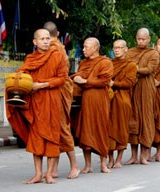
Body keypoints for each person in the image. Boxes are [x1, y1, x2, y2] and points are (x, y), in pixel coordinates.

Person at [6, 29, 68, 184]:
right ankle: (38, 174)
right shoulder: (30, 58)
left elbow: (62, 79)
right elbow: (22, 76)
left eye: (48, 38)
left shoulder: (58, 56)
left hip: (51, 100)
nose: (46, 41)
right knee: (37, 138)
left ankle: (49, 173)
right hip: (35, 103)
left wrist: (42, 85)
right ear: (35, 42)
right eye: (42, 39)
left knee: (52, 137)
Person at [71, 37, 114, 173]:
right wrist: (74, 78)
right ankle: (88, 165)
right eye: (83, 47)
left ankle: (103, 164)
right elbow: (78, 75)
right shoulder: (83, 63)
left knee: (101, 130)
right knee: (86, 132)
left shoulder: (105, 62)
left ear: (95, 48)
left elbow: (104, 81)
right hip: (86, 101)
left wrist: (84, 82)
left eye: (86, 47)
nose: (83, 49)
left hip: (100, 100)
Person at [43, 21, 79, 180]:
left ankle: (74, 166)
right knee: (54, 130)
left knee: (63, 128)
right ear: (58, 34)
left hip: (59, 92)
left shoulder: (55, 50)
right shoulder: (56, 48)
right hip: (53, 92)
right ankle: (54, 168)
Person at [126, 28, 159, 165]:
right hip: (133, 88)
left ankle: (144, 155)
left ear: (149, 39)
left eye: (143, 39)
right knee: (134, 119)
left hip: (146, 88)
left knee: (146, 119)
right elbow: (125, 66)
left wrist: (134, 69)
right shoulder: (131, 52)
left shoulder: (153, 53)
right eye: (139, 39)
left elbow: (150, 69)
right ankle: (133, 156)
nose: (141, 41)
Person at [107, 39, 137, 169]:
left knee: (122, 129)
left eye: (120, 48)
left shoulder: (131, 65)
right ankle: (110, 159)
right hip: (109, 99)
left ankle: (119, 159)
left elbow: (129, 83)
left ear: (126, 49)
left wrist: (114, 84)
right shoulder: (109, 64)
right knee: (109, 129)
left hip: (123, 100)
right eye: (115, 48)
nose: (117, 50)